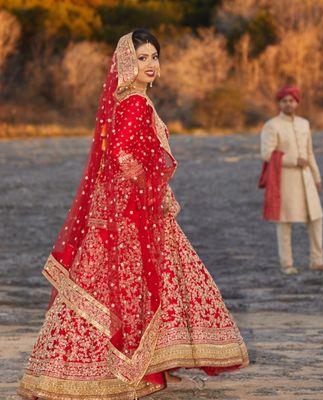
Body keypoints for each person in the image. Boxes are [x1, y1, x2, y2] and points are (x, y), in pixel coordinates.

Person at [18, 29, 249, 400]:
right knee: (134, 283)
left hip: (120, 207)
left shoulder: (125, 99)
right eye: (142, 58)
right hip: (130, 212)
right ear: (127, 62)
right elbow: (124, 157)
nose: (151, 64)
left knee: (106, 282)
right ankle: (129, 370)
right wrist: (148, 190)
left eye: (154, 56)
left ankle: (69, 370)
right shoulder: (136, 103)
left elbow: (120, 157)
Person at [260, 85, 323, 276]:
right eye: (284, 101)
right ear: (279, 103)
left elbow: (309, 153)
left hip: (306, 179)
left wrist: (317, 177)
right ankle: (287, 264)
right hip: (285, 181)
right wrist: (293, 160)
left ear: (297, 102)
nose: (288, 104)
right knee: (285, 222)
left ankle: (317, 261)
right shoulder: (272, 125)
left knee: (316, 218)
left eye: (291, 100)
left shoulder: (304, 124)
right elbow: (266, 154)